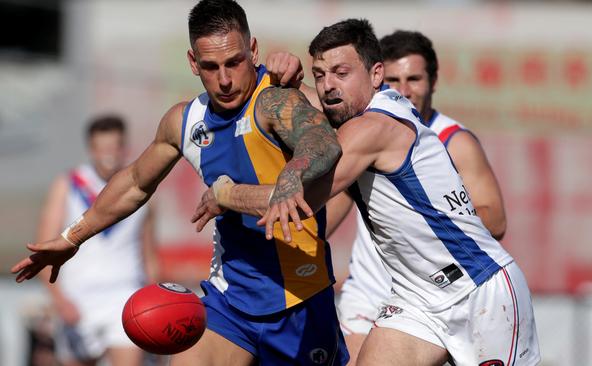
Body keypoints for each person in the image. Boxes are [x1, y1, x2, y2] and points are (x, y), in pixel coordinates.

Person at [12, 1, 349, 365]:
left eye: (234, 62)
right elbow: (135, 183)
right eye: (210, 67)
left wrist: (287, 185)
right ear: (193, 63)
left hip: (300, 300)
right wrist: (71, 238)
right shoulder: (185, 122)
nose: (224, 79)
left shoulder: (274, 98)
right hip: (230, 301)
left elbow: (322, 142)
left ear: (253, 51)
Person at [193, 19, 540, 366]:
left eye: (341, 73)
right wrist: (278, 74)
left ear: (376, 75)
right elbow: (316, 110)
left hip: (478, 292)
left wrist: (224, 194)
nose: (328, 86)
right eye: (320, 74)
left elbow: (297, 200)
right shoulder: (355, 116)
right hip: (417, 300)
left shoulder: (373, 128)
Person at [334, 30, 508, 364]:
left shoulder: (453, 140)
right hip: (370, 293)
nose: (404, 89)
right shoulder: (365, 132)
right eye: (395, 79)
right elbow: (331, 206)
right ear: (378, 78)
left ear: (433, 81)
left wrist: (430, 217)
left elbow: (496, 219)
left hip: (439, 293)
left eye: (414, 78)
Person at [35, 115, 158, 366]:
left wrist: (154, 299)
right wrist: (59, 300)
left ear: (125, 148)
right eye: (102, 149)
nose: (109, 155)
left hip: (125, 298)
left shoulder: (143, 189)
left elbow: (149, 255)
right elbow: (44, 248)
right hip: (78, 300)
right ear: (91, 149)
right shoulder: (68, 185)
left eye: (115, 148)